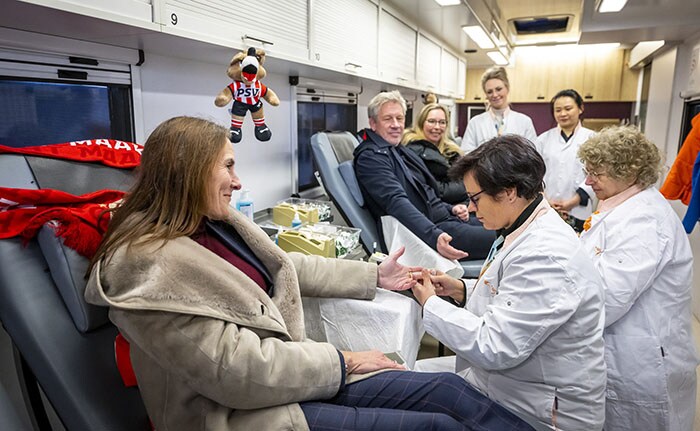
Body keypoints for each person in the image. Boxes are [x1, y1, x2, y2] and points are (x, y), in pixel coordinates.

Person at [84, 116, 534, 431]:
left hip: (287, 379)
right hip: (237, 414)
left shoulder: (212, 222)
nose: (238, 182)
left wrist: (374, 276)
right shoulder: (146, 270)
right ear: (187, 174)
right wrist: (345, 360)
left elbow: (285, 264)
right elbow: (237, 370)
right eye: (227, 165)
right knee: (436, 425)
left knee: (449, 391)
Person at [407, 134, 607, 430]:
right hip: (517, 380)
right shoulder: (525, 226)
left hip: (541, 408)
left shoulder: (545, 255)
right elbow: (512, 292)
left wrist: (430, 304)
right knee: (414, 374)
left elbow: (493, 346)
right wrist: (461, 289)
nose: (471, 209)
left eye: (475, 198)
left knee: (414, 398)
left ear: (509, 191)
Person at [577, 126, 699, 431]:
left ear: (629, 172)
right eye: (586, 171)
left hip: (642, 361)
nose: (588, 182)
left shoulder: (644, 219)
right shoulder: (623, 205)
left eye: (596, 174)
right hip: (625, 353)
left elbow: (608, 297)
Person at [354, 90, 494, 261]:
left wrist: (451, 208)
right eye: (388, 119)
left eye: (399, 118)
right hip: (430, 230)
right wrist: (434, 236)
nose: (396, 124)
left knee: (502, 222)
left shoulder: (396, 150)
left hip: (445, 218)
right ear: (373, 123)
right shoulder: (371, 157)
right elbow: (396, 202)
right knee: (503, 234)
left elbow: (423, 192)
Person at [534, 89, 596, 232]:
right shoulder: (543, 139)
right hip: (547, 206)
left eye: (568, 109)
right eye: (558, 110)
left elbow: (597, 174)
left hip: (579, 209)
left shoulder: (592, 138)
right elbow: (535, 172)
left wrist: (574, 201)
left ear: (580, 108)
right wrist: (544, 198)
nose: (562, 114)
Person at [402, 103, 467, 204]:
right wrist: (466, 187)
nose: (437, 127)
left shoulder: (451, 149)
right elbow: (436, 190)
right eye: (431, 121)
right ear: (421, 123)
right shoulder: (412, 151)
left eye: (442, 122)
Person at [462, 67, 536, 153]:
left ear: (507, 88)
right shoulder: (475, 123)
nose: (494, 95)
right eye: (489, 92)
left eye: (498, 89)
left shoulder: (524, 122)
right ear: (486, 94)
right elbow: (466, 154)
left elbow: (533, 154)